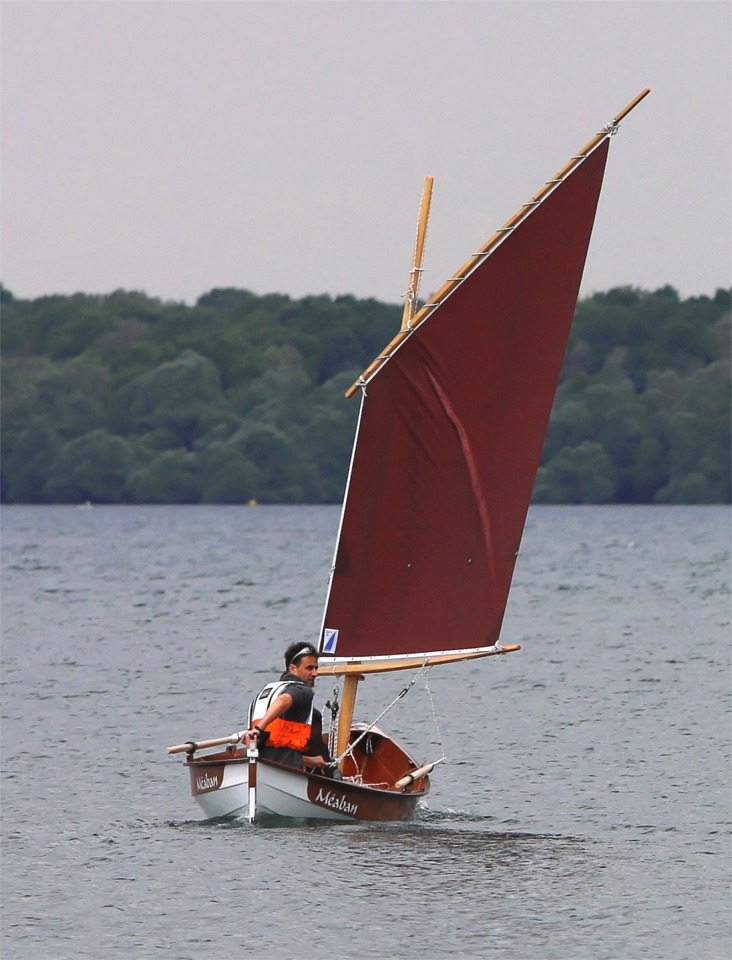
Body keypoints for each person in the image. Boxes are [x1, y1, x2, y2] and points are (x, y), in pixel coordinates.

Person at [242, 641, 333, 774]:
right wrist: (259, 729)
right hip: (285, 769)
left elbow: (275, 749)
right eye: (309, 668)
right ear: (293, 669)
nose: (315, 673)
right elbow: (284, 700)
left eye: (316, 668)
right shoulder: (303, 690)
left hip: (261, 764)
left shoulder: (266, 691)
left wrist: (308, 760)